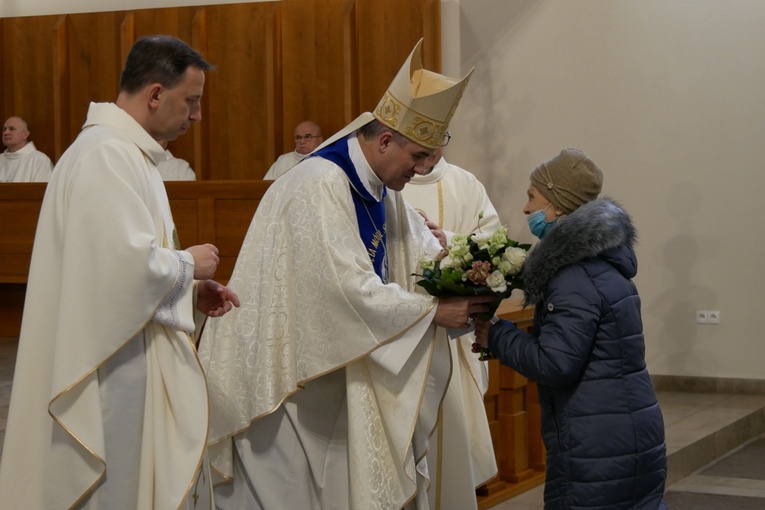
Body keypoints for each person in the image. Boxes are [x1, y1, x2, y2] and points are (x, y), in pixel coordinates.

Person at [199, 40, 492, 510]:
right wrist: (432, 312)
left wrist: (463, 272)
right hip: (289, 384)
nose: (420, 173)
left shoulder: (380, 185)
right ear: (383, 140)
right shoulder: (320, 184)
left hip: (331, 369)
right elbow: (342, 288)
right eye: (417, 158)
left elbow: (415, 251)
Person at [0, 35, 241, 509]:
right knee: (116, 488)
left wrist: (187, 292)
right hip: (111, 373)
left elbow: (115, 270)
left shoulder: (131, 153)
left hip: (127, 353)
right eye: (190, 101)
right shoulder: (105, 154)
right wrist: (189, 264)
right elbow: (117, 272)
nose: (196, 115)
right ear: (155, 94)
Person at [474, 148, 667, 510]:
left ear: (558, 206)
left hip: (595, 443)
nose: (526, 208)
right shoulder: (604, 265)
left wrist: (495, 333)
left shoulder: (573, 276)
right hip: (628, 431)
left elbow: (556, 365)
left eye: (532, 197)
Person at [400, 143, 501, 509]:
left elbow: (495, 249)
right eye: (418, 151)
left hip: (451, 338)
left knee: (450, 444)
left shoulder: (465, 184)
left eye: (432, 147)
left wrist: (448, 240)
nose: (423, 161)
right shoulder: (387, 184)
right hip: (403, 336)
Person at [0, 116, 53, 182]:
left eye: (12, 129)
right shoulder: (1, 159)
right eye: (4, 129)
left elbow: (42, 190)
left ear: (25, 134)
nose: (6, 133)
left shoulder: (40, 161)